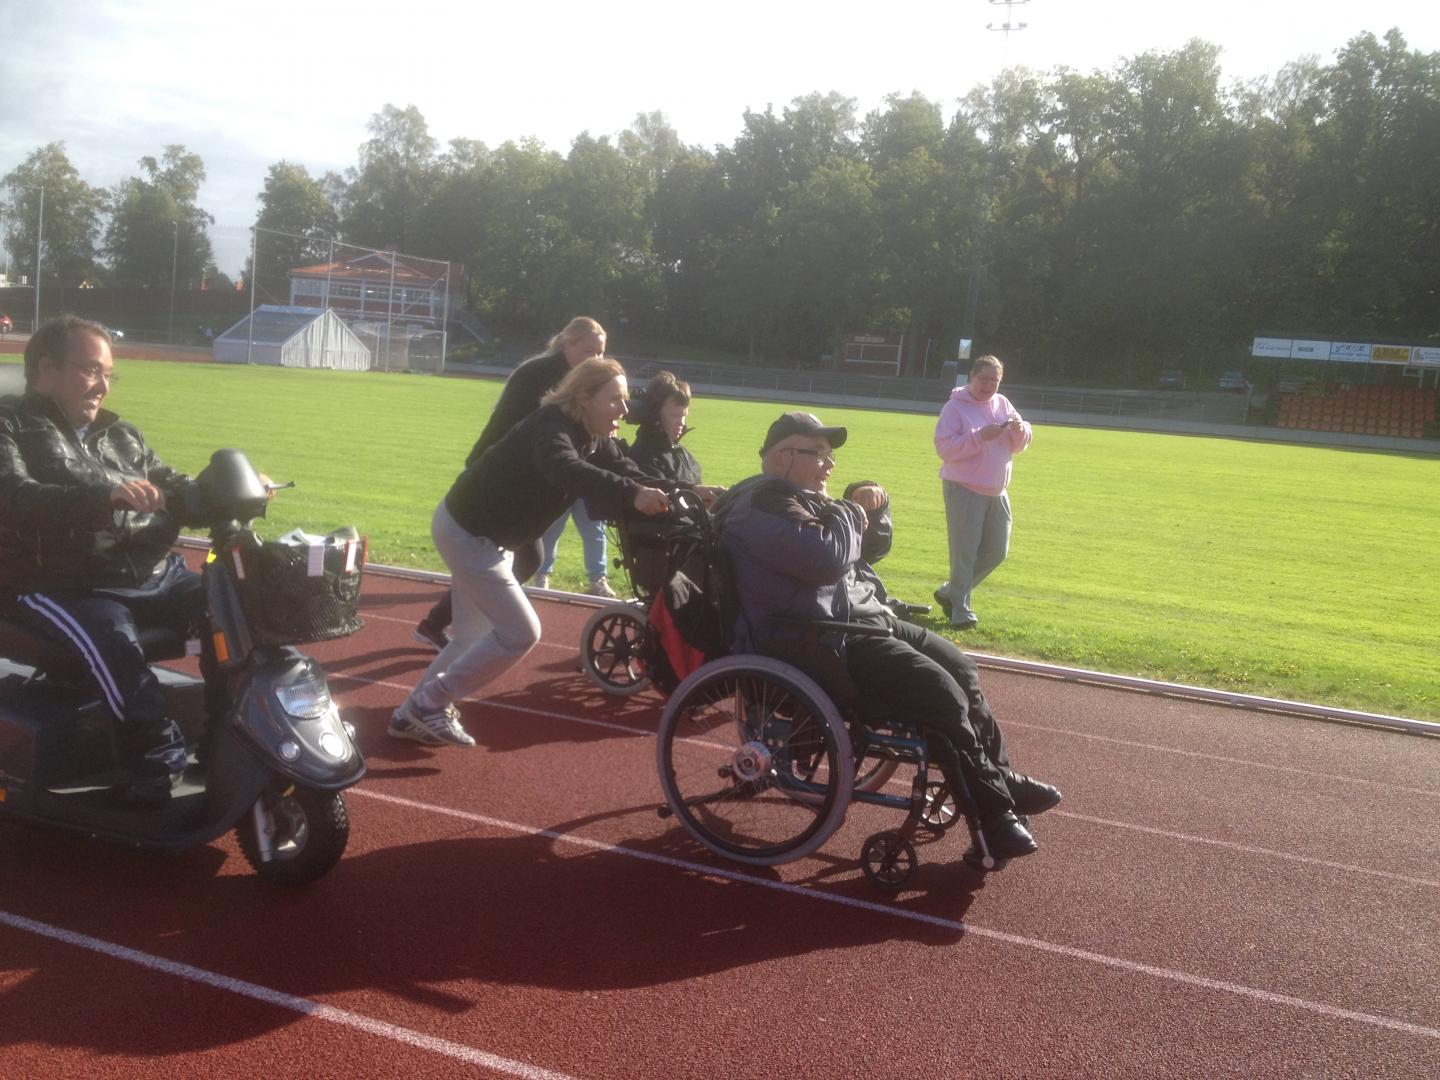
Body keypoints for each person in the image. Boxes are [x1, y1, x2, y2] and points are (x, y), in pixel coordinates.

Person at [713, 410, 1059, 859]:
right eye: (818, 454)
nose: (830, 464)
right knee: (937, 690)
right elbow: (826, 558)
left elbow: (867, 551)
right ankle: (997, 811)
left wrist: (874, 509)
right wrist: (847, 509)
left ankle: (999, 791)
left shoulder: (795, 498)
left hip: (858, 619)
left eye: (830, 455)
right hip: (821, 640)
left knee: (960, 668)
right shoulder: (761, 505)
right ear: (783, 457)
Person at [392, 357, 672, 746]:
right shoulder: (551, 426)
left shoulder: (593, 436)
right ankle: (428, 705)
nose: (625, 410)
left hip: (483, 536)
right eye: (615, 399)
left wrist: (684, 491)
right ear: (584, 397)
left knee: (470, 637)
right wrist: (632, 494)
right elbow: (563, 467)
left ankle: (410, 714)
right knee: (521, 632)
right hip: (468, 533)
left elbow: (629, 471)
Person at [0, 316, 214, 802]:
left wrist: (231, 488)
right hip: (59, 580)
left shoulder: (121, 435)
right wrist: (105, 497)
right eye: (91, 370)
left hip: (150, 573)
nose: (103, 386)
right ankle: (154, 755)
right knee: (112, 638)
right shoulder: (9, 424)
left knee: (231, 603)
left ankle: (226, 729)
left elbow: (177, 486)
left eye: (108, 374)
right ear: (46, 369)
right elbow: (14, 496)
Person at [412, 316, 609, 649]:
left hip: (517, 475)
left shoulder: (568, 378)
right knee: (515, 558)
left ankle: (443, 624)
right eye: (590, 351)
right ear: (568, 344)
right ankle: (454, 626)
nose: (597, 359)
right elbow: (517, 428)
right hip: (498, 475)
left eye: (601, 353)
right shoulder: (542, 376)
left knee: (518, 559)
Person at [933, 354, 1032, 629]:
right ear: (972, 377)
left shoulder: (1002, 403)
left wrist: (1020, 430)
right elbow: (945, 448)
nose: (989, 385)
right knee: (964, 554)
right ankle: (960, 612)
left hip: (997, 491)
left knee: (997, 551)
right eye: (984, 379)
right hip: (964, 488)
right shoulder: (954, 408)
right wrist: (979, 437)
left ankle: (950, 591)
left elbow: (1019, 445)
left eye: (995, 380)